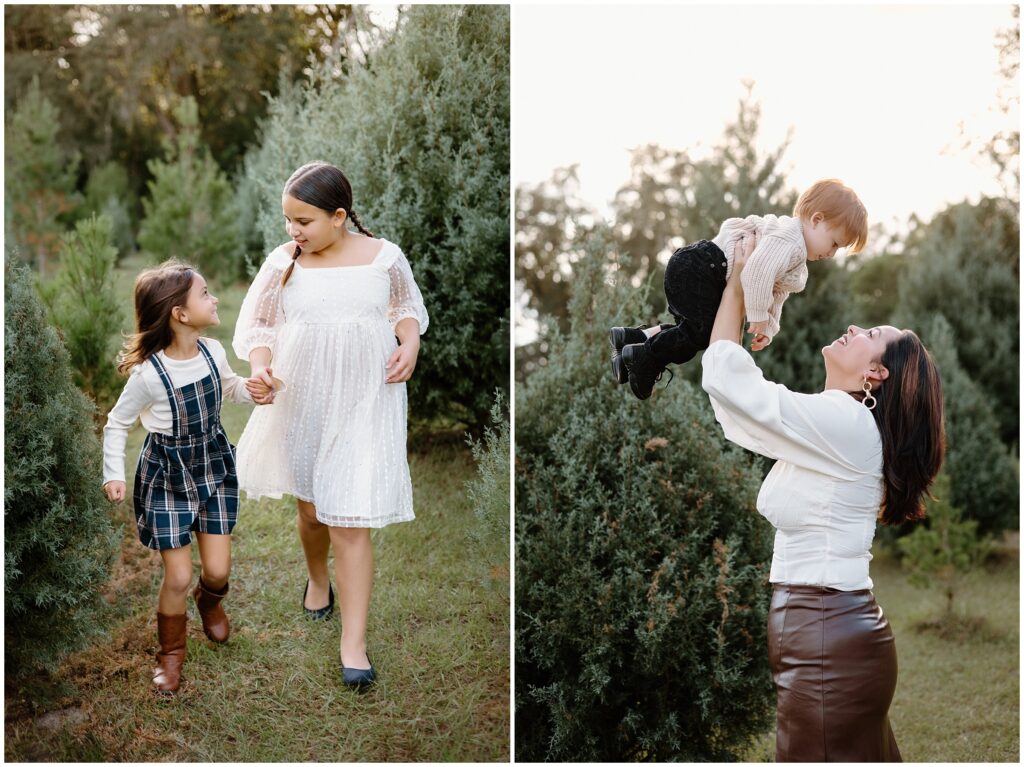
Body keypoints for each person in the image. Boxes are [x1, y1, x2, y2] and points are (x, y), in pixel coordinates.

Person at [699, 232, 944, 762]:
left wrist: (741, 287)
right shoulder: (836, 424)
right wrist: (737, 297)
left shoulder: (847, 423)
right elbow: (737, 412)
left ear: (875, 373)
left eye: (869, 333)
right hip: (823, 632)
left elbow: (733, 386)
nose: (853, 327)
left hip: (827, 636)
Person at [233, 161, 428, 691]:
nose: (293, 231)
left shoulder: (383, 257)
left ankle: (353, 644)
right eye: (287, 220)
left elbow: (404, 306)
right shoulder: (284, 262)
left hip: (367, 395)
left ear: (339, 216)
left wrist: (408, 341)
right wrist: (260, 366)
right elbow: (258, 323)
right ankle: (318, 580)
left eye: (304, 221)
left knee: (349, 518)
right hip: (304, 394)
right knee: (314, 511)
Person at [102, 261, 263, 695]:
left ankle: (208, 602)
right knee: (176, 576)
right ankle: (170, 655)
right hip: (168, 475)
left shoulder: (213, 351)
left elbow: (231, 388)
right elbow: (117, 424)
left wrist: (254, 389)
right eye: (205, 293)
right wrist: (113, 474)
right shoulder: (149, 375)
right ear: (180, 313)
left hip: (211, 464)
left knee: (216, 568)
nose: (214, 299)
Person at [610, 178, 868, 399]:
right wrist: (756, 314)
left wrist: (769, 326)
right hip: (703, 267)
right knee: (701, 336)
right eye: (834, 243)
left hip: (698, 266)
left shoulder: (796, 257)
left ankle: (632, 340)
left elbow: (777, 293)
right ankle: (646, 358)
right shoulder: (790, 240)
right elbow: (756, 273)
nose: (832, 253)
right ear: (816, 219)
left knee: (692, 331)